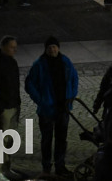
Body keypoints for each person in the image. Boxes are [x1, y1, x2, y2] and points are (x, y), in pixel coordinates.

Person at [25, 36, 79, 176]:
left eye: (54, 47)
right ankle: (47, 168)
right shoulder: (40, 64)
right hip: (47, 110)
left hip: (63, 108)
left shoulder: (65, 61)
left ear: (58, 48)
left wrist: (71, 96)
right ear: (46, 49)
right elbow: (29, 83)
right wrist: (40, 100)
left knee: (61, 139)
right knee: (47, 140)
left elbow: (74, 78)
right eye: (49, 47)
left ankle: (60, 166)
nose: (52, 49)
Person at [0, 35, 22, 181]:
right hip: (4, 108)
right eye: (11, 47)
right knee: (2, 139)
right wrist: (0, 108)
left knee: (10, 139)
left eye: (15, 46)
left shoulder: (12, 62)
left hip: (14, 105)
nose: (15, 49)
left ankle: (7, 167)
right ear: (3, 47)